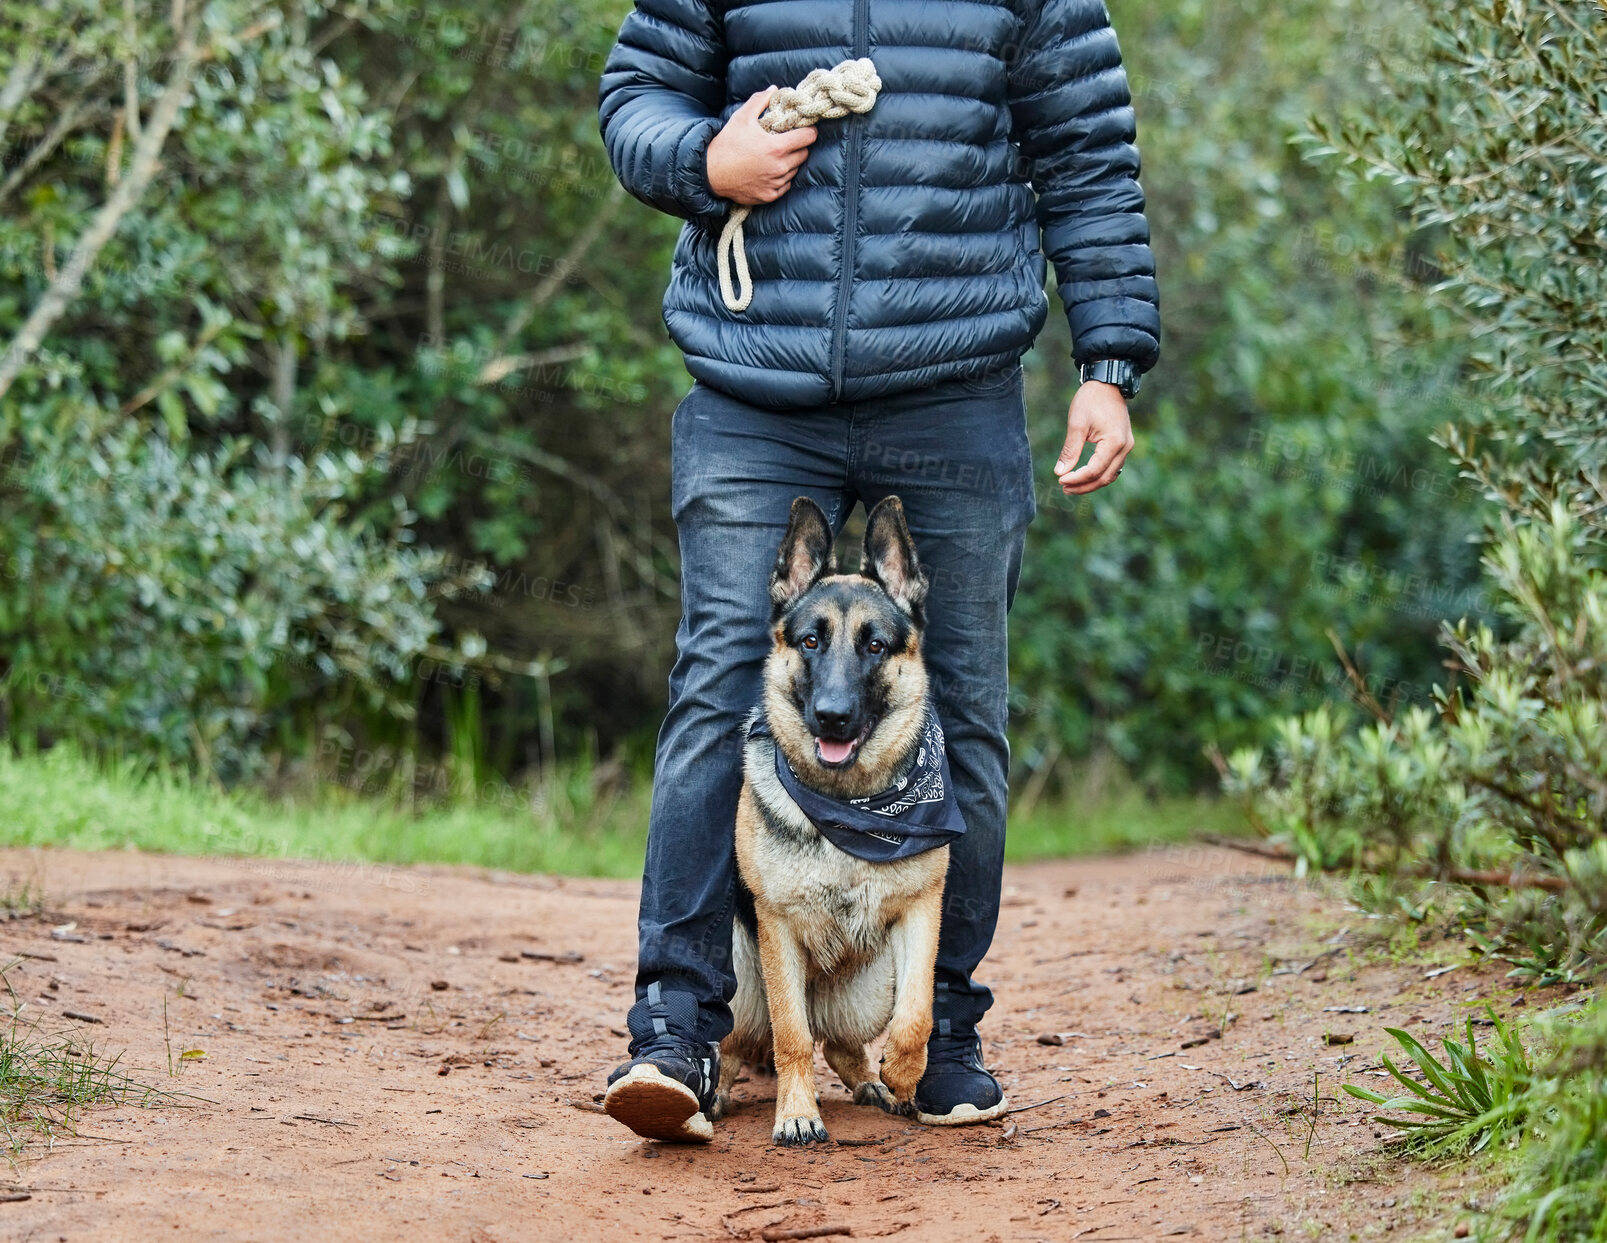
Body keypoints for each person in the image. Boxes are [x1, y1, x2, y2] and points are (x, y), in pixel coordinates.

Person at [595, 0, 1160, 1139]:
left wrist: (1107, 357)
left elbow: (1084, 150)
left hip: (953, 389)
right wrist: (706, 158)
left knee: (968, 711)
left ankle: (939, 1027)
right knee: (717, 690)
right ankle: (676, 1032)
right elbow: (633, 102)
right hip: (753, 387)